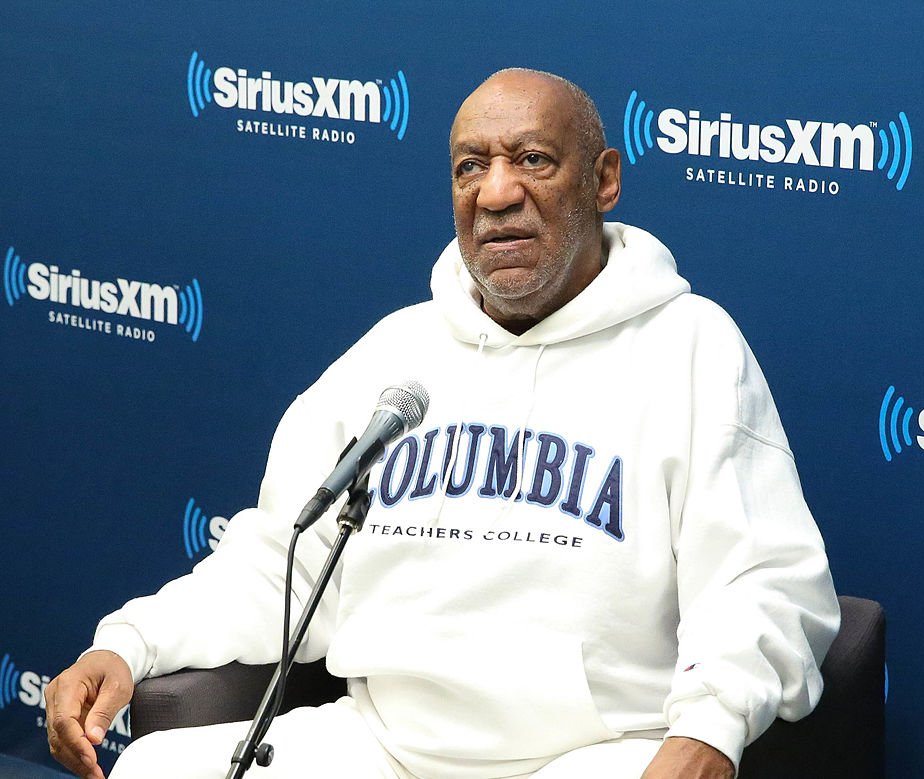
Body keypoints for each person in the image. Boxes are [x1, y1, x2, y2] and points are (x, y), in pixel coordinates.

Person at [46, 68, 840, 779]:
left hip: (594, 752)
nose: (496, 193)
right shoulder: (394, 357)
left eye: (532, 159)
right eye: (471, 167)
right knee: (155, 765)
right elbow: (278, 564)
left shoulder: (691, 347)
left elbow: (761, 582)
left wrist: (710, 729)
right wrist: (128, 643)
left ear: (604, 181)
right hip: (385, 746)